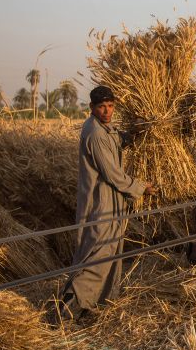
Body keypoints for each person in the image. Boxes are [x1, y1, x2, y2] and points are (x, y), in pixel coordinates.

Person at [58, 86, 155, 320]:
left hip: (110, 200)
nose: (107, 111)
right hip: (100, 202)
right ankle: (68, 312)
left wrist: (133, 135)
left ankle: (88, 307)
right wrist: (142, 187)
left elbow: (117, 141)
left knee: (106, 251)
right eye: (102, 107)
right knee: (99, 255)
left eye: (111, 106)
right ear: (91, 108)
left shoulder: (103, 129)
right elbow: (113, 174)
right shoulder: (94, 133)